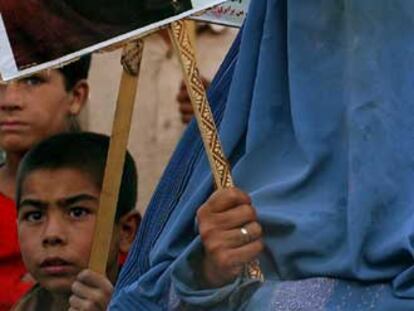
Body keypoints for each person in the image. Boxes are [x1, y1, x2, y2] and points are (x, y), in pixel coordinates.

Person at [112, 0, 414, 310]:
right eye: (322, 14)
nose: (352, 46)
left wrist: (261, 301)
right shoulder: (225, 188)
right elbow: (146, 298)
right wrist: (207, 274)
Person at [0, 56, 91, 310]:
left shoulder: (107, 206)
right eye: (0, 81)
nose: (9, 101)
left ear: (76, 96)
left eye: (32, 80)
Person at [12, 132, 140, 310]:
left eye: (77, 212)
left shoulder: (159, 302)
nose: (52, 234)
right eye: (35, 216)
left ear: (126, 231)